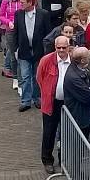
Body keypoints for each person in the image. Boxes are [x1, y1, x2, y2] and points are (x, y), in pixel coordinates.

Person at [36, 36, 74, 171]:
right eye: (59, 48)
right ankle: (47, 160)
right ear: (55, 47)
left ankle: (63, 160)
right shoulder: (46, 61)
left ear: (69, 47)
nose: (62, 50)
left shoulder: (73, 61)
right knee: (49, 133)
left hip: (68, 104)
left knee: (66, 133)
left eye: (64, 47)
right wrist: (47, 93)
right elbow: (39, 78)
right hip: (51, 103)